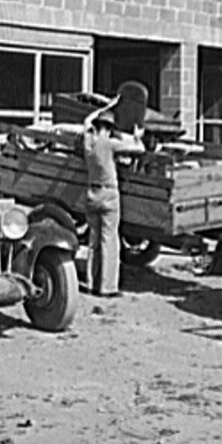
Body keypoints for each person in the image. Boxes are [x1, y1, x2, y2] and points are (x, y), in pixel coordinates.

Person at [82, 99, 145, 298]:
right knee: (109, 240)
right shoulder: (109, 144)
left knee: (93, 241)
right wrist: (137, 137)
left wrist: (103, 108)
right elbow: (139, 149)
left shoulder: (88, 143)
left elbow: (86, 122)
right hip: (109, 194)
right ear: (109, 129)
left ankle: (92, 283)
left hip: (92, 194)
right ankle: (107, 288)